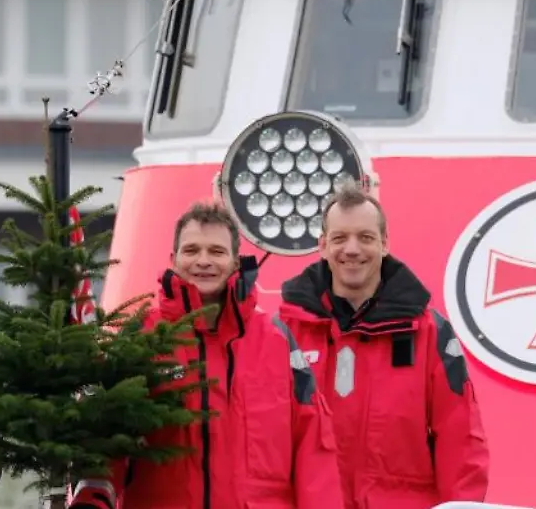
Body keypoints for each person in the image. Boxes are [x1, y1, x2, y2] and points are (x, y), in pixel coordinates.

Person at [69, 203, 342, 509]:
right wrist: (91, 501)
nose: (203, 261)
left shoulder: (278, 342)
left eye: (216, 251)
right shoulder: (141, 338)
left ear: (235, 261)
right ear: (173, 260)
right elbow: (107, 436)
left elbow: (313, 447)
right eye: (191, 250)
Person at [278, 184, 490, 508]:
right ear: (322, 246)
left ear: (385, 244)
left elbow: (460, 435)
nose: (352, 249)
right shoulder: (285, 333)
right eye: (339, 238)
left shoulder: (430, 332)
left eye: (365, 237)